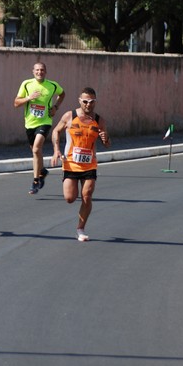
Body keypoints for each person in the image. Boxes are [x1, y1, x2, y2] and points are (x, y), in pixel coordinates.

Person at [51, 87, 111, 241]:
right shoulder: (70, 116)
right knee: (70, 198)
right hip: (70, 163)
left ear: (95, 102)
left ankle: (80, 229)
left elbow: (107, 144)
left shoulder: (99, 121)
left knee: (87, 195)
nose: (88, 104)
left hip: (89, 164)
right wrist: (56, 150)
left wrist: (105, 139)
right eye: (85, 101)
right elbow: (56, 131)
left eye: (91, 102)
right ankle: (73, 198)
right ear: (79, 101)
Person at [14, 61, 65, 194]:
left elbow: (62, 94)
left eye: (42, 70)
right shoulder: (26, 84)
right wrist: (28, 98)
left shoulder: (52, 85)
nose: (39, 72)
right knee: (35, 151)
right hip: (30, 123)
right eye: (37, 70)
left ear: (45, 72)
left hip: (45, 121)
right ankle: (42, 171)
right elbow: (16, 103)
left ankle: (36, 181)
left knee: (36, 149)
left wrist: (55, 107)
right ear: (33, 71)